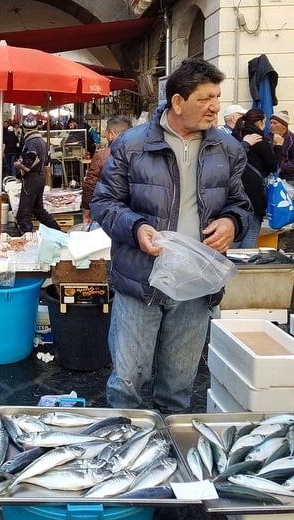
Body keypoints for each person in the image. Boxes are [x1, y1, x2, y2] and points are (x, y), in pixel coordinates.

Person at [91, 58, 251, 414]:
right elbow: (103, 203)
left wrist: (232, 224)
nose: (215, 106)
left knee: (178, 387)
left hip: (197, 282)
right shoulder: (132, 146)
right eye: (205, 98)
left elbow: (241, 205)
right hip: (141, 279)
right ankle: (124, 451)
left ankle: (168, 456)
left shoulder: (227, 149)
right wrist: (136, 228)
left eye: (217, 96)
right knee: (127, 382)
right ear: (178, 102)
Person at [231, 109, 283, 248]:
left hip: (233, 191)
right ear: (260, 122)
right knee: (251, 234)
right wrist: (278, 147)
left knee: (234, 230)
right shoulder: (260, 139)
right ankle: (246, 267)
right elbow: (273, 167)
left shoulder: (235, 135)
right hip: (253, 193)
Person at [14, 114, 61, 234]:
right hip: (41, 177)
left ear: (24, 129)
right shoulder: (42, 141)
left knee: (23, 215)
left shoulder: (31, 143)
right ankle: (58, 231)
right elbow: (47, 161)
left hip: (32, 179)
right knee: (38, 209)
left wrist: (19, 165)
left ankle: (26, 240)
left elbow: (28, 167)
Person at [81, 115, 131, 226]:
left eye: (106, 133)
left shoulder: (102, 155)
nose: (105, 136)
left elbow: (90, 186)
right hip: (133, 216)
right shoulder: (139, 154)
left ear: (112, 134)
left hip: (107, 212)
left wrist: (86, 213)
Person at [266, 110, 294, 182]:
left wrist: (280, 167)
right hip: (268, 176)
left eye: (275, 123)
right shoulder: (266, 137)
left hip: (288, 177)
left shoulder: (292, 139)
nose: (271, 125)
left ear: (284, 125)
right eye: (271, 122)